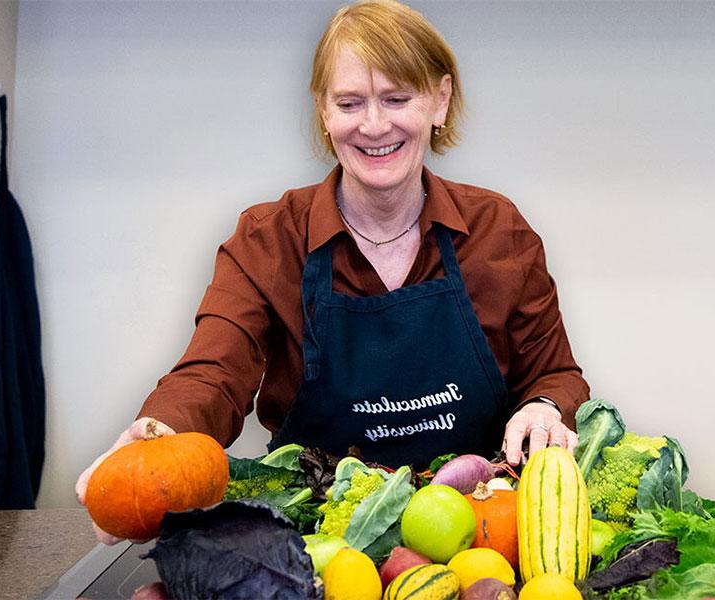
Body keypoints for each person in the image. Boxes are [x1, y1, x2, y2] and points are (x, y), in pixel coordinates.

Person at [76, 0, 589, 545]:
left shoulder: (497, 231)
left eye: (397, 98)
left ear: (440, 100)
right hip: (318, 537)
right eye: (350, 102)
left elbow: (555, 374)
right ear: (323, 110)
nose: (373, 124)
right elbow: (213, 374)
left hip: (477, 530)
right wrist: (156, 438)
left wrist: (545, 406)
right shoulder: (268, 239)